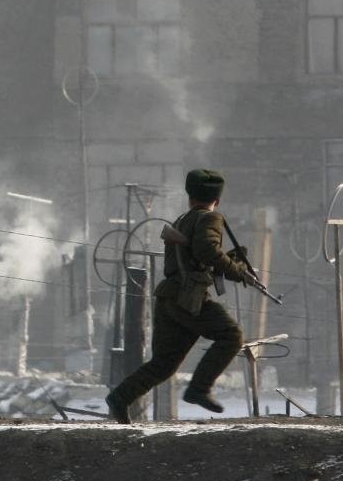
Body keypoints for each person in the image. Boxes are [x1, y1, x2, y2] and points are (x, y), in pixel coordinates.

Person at [105, 169, 260, 424]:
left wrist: (230, 262)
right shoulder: (211, 219)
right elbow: (207, 250)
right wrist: (238, 272)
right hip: (189, 299)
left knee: (164, 364)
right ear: (217, 200)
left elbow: (194, 257)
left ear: (190, 197)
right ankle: (199, 389)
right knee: (232, 335)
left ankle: (121, 397)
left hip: (170, 298)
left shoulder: (182, 220)